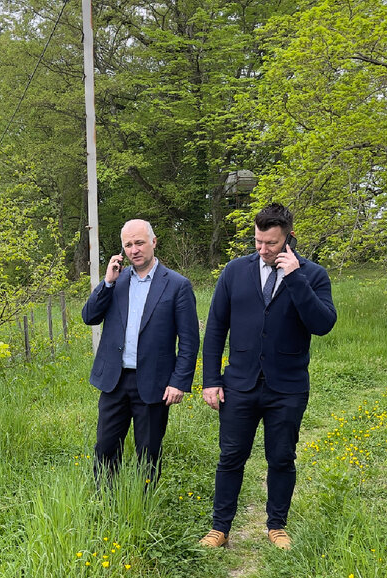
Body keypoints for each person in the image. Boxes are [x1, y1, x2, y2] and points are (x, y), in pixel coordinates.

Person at [198, 203, 336, 550]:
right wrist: (211, 380)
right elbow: (215, 329)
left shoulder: (312, 275)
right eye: (258, 241)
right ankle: (220, 529)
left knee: (281, 457)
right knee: (230, 457)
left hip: (287, 387)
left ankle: (277, 526)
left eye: (271, 243)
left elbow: (322, 324)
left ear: (288, 237)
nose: (262, 249)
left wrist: (295, 278)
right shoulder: (234, 271)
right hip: (239, 384)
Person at [82, 219, 200, 486]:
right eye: (128, 245)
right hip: (114, 380)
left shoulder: (177, 285)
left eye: (139, 243)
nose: (134, 250)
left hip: (154, 382)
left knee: (148, 451)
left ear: (154, 242)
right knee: (105, 447)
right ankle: (105, 501)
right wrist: (107, 283)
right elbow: (89, 317)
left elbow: (190, 341)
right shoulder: (117, 280)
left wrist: (179, 381)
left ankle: (143, 505)